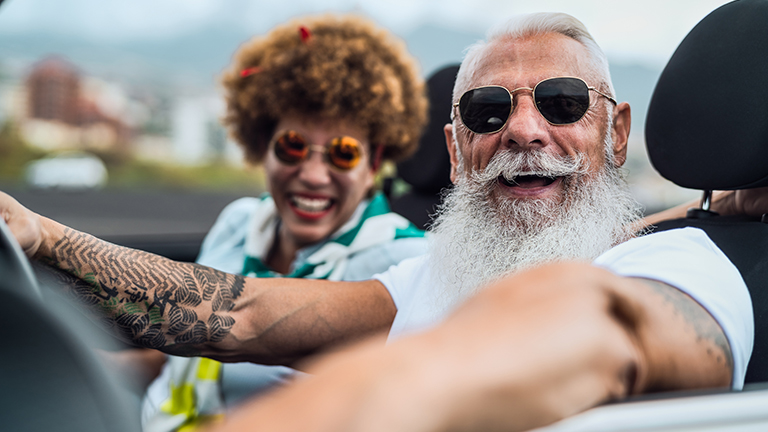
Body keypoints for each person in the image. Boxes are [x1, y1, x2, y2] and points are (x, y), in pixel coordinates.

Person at [1, 11, 764, 432]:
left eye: (562, 103)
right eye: (488, 111)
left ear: (616, 133)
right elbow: (249, 313)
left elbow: (607, 327)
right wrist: (39, 234)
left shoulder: (682, 266)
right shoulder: (435, 269)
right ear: (458, 151)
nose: (525, 132)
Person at [135, 13, 429, 431]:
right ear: (263, 146)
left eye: (343, 153)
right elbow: (173, 359)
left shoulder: (409, 266)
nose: (312, 174)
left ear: (374, 163)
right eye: (292, 146)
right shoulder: (238, 221)